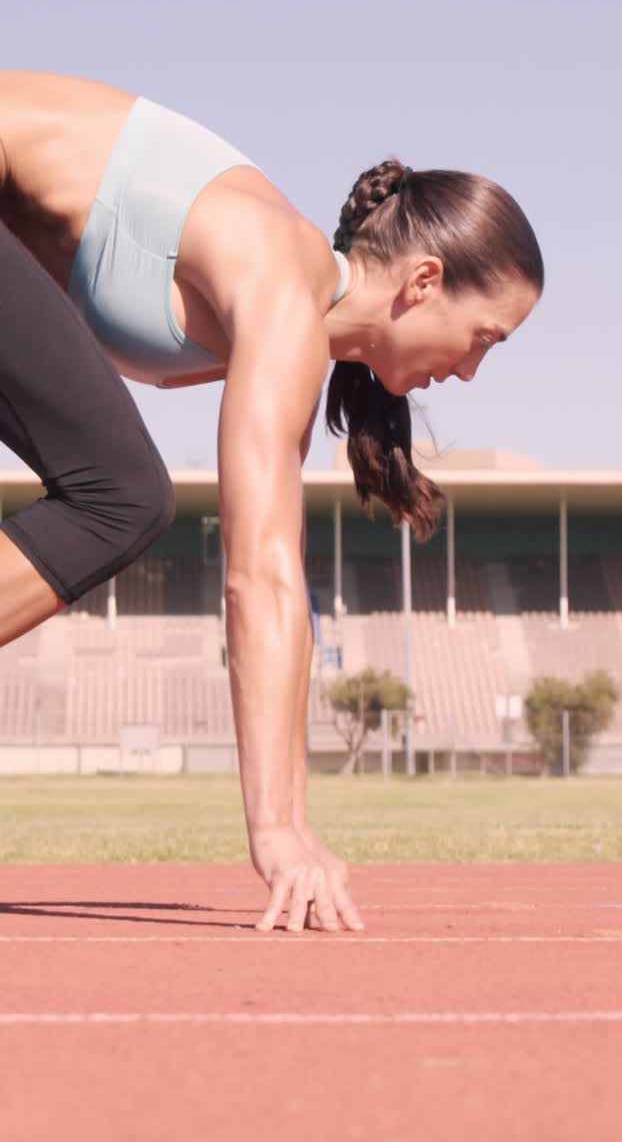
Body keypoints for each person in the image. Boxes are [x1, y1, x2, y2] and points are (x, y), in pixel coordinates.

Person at [0, 71, 544, 932]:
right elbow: (256, 581)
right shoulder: (288, 285)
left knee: (117, 493)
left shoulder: (295, 321)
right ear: (425, 280)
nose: (472, 369)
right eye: (485, 338)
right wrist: (275, 830)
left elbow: (280, 576)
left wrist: (294, 816)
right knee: (120, 496)